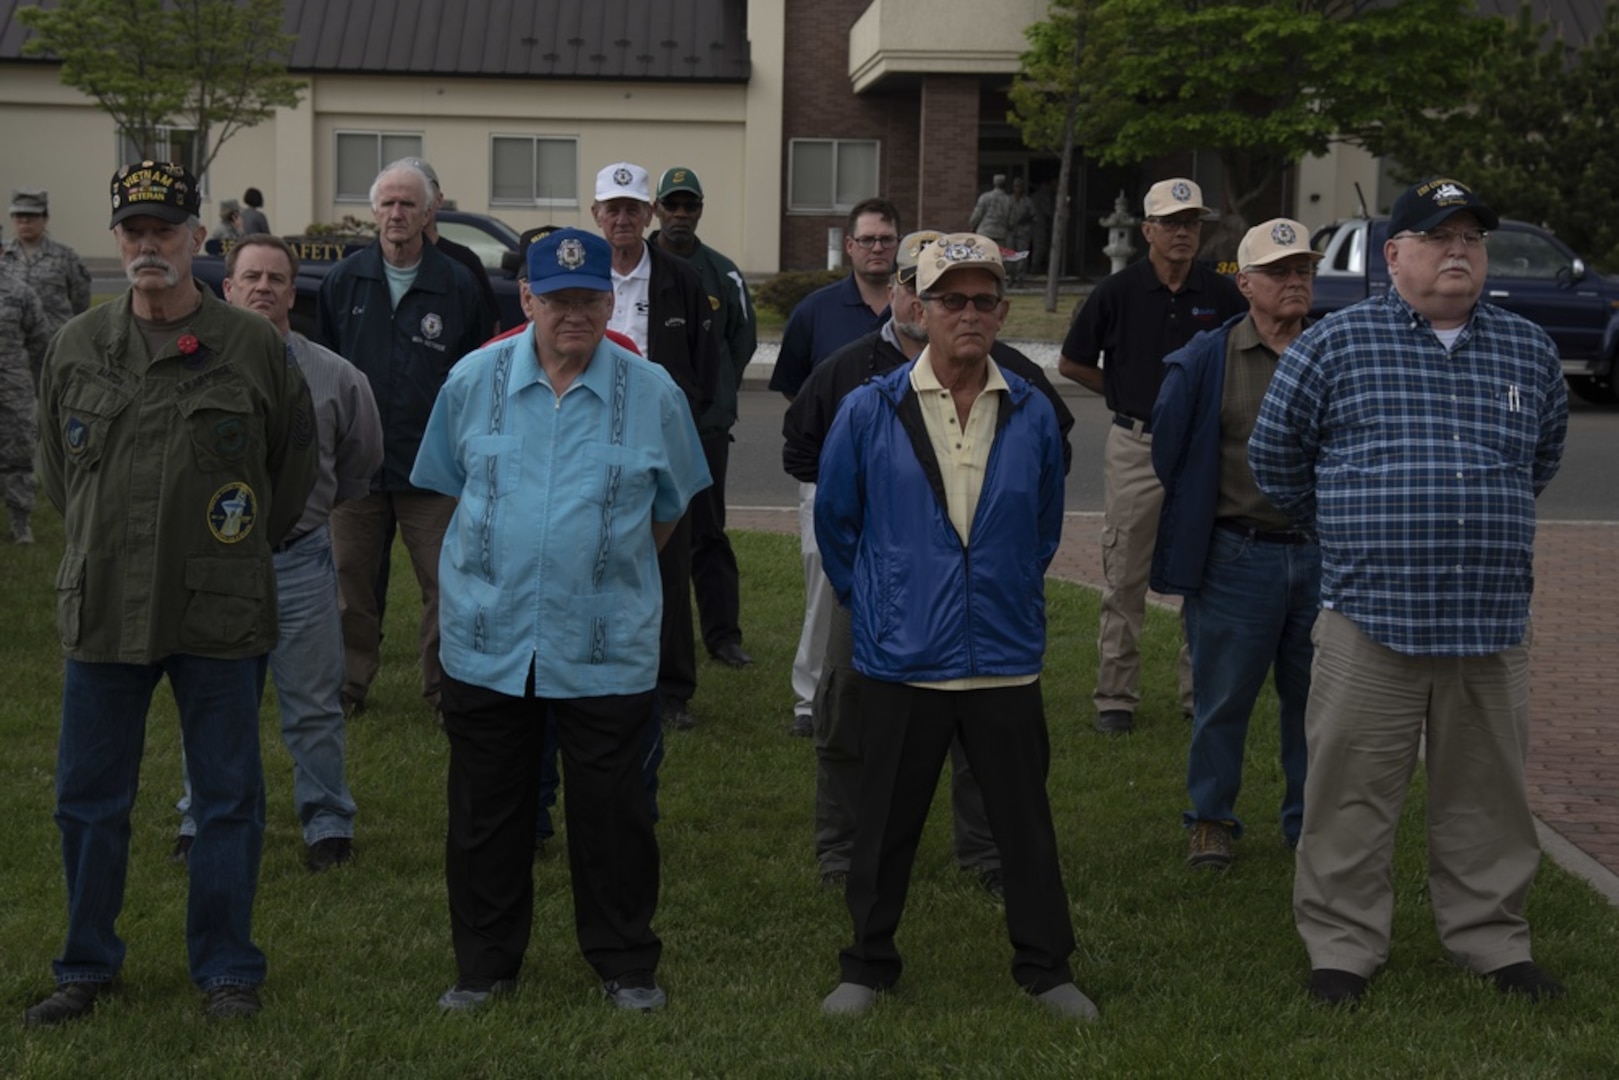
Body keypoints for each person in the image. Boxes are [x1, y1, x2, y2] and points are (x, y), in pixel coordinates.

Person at [1248, 177, 1569, 1006]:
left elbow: (1538, 463)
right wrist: (1360, 531)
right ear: (1394, 256)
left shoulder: (1528, 351)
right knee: (1349, 793)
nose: (1457, 250)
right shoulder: (1333, 345)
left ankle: (1491, 940)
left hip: (1489, 623)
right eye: (1437, 236)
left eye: (1470, 237)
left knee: (1485, 795)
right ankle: (1341, 948)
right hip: (1369, 619)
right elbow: (1277, 465)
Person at [24, 160, 318, 1027]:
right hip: (106, 598)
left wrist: (221, 547)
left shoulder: (254, 346)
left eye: (165, 229)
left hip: (217, 604)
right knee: (88, 796)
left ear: (199, 238)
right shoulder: (79, 346)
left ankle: (227, 968)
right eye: (133, 230)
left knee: (228, 796)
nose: (148, 245)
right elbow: (55, 472)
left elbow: (288, 474)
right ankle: (86, 964)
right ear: (116, 240)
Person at [412, 228, 709, 1015]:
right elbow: (444, 489)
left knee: (613, 814)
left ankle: (624, 963)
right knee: (485, 814)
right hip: (487, 637)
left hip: (604, 642)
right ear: (528, 298)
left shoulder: (653, 395)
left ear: (611, 301)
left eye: (588, 299)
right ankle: (483, 967)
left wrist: (597, 569)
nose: (572, 313)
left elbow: (668, 511)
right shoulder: (471, 380)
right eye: (557, 299)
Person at [815, 234, 1095, 1021]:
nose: (967, 314)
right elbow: (840, 527)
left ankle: (1045, 967)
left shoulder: (1035, 411)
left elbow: (1041, 526)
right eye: (950, 300)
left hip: (1003, 658)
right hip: (904, 659)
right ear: (917, 307)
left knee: (1024, 830)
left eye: (982, 301)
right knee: (883, 828)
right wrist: (883, 602)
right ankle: (867, 965)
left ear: (1001, 312)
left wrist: (996, 592)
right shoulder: (868, 410)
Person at [170, 235, 383, 873]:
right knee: (210, 702)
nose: (263, 287)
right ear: (227, 288)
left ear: (294, 292)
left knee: (314, 702)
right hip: (215, 567)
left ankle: (327, 824)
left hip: (298, 562)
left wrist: (303, 515)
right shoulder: (188, 367)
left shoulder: (337, 377)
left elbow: (358, 464)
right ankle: (198, 816)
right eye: (250, 277)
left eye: (276, 279)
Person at [1149, 219, 1323, 870]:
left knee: (1316, 706)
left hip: (1322, 558)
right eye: (1278, 271)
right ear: (1244, 283)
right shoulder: (1205, 359)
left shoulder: (1334, 350)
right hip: (1235, 558)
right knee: (1222, 702)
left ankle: (1309, 825)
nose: (1293, 281)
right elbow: (1170, 452)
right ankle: (1210, 821)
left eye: (1302, 269)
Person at [1057, 177, 1247, 734]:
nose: (1183, 233)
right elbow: (1071, 362)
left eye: (1191, 224)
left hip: (1203, 448)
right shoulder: (1116, 293)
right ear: (1147, 231)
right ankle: (1116, 696)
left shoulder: (1221, 292)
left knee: (1203, 572)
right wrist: (1120, 393)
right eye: (1171, 223)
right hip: (1135, 445)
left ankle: (1198, 696)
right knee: (1125, 571)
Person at [317, 160, 494, 721]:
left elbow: (477, 377)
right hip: (356, 469)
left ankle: (445, 689)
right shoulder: (345, 281)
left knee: (447, 585)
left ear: (429, 211)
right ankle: (348, 686)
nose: (397, 214)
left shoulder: (459, 284)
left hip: (433, 467)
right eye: (388, 204)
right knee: (350, 582)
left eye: (408, 204)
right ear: (375, 211)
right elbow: (324, 372)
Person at [591, 160, 717, 731]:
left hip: (658, 441)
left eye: (632, 209)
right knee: (592, 556)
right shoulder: (582, 273)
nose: (622, 219)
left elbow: (704, 363)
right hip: (588, 437)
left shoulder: (682, 280)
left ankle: (671, 691)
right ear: (596, 214)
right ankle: (597, 669)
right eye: (612, 209)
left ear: (650, 215)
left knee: (667, 561)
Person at [769, 197, 899, 737]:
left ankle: (885, 685)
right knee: (825, 586)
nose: (876, 248)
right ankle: (809, 699)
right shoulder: (816, 311)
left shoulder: (916, 306)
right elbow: (795, 388)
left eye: (885, 239)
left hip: (901, 479)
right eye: (866, 239)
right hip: (829, 478)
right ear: (849, 246)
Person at [651, 165, 757, 670]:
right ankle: (649, 636)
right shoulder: (637, 266)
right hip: (643, 428)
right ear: (657, 209)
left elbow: (741, 338)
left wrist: (717, 396)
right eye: (671, 204)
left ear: (699, 211)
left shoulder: (722, 271)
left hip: (705, 427)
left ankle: (723, 636)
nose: (679, 214)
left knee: (708, 532)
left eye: (689, 205)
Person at [0, 246, 51, 542]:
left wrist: (30, 379)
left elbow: (39, 340)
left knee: (19, 453)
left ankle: (21, 523)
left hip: (13, 388)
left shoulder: (20, 293)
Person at [4, 188, 92, 354]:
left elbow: (80, 301)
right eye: (18, 216)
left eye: (31, 216)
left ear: (45, 219)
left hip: (54, 346)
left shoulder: (65, 257)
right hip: (12, 350)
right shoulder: (3, 256)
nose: (24, 221)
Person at [968, 174, 1013, 247]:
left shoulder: (985, 197)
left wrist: (972, 224)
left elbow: (977, 214)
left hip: (985, 232)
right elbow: (1011, 221)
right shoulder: (1009, 200)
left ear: (994, 183)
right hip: (1000, 234)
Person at [1007, 178, 1034, 285]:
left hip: (1023, 231)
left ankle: (1020, 278)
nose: (1017, 189)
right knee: (1010, 255)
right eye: (1015, 186)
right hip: (1011, 231)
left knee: (1022, 256)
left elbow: (1033, 215)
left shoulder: (1027, 201)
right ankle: (1011, 277)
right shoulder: (1009, 200)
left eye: (1019, 186)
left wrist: (1025, 219)